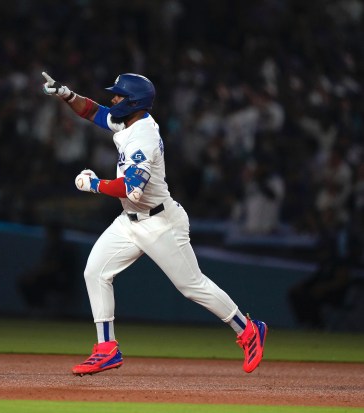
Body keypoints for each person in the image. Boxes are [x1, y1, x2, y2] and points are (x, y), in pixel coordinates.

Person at [41, 72, 267, 376]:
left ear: (134, 102)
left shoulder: (144, 136)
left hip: (161, 222)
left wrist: (93, 184)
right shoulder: (128, 120)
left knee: (192, 286)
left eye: (119, 95)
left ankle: (249, 329)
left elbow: (131, 187)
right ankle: (106, 349)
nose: (113, 98)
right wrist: (66, 94)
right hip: (129, 221)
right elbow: (93, 111)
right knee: (95, 271)